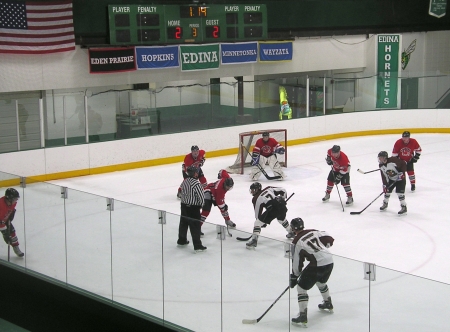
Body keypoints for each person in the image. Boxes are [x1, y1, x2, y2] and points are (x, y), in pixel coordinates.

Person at [289, 217, 334, 327]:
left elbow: (297, 262)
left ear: (293, 229)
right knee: (321, 282)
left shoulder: (296, 242)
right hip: (330, 260)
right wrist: (325, 248)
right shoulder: (312, 231)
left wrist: (295, 276)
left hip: (317, 265)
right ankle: (327, 302)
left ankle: (302, 315)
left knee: (301, 288)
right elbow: (329, 237)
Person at [246, 182, 294, 249]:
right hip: (282, 206)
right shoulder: (268, 188)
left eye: (253, 190)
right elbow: (283, 190)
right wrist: (282, 199)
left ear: (258, 189)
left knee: (257, 223)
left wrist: (261, 222)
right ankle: (291, 232)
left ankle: (254, 240)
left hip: (272, 210)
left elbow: (257, 214)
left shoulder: (256, 198)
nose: (252, 192)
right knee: (281, 219)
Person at [177, 166, 207, 252]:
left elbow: (180, 193)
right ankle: (197, 245)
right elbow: (201, 197)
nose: (197, 173)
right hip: (193, 208)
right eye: (196, 172)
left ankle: (181, 240)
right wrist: (201, 205)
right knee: (195, 226)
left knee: (183, 223)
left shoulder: (185, 181)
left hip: (183, 206)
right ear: (194, 173)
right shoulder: (196, 184)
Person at [378, 151, 408, 215]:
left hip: (400, 179)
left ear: (385, 157)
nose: (379, 159)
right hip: (391, 179)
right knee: (387, 191)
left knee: (399, 193)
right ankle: (385, 204)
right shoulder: (381, 165)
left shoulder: (393, 160)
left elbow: (403, 163)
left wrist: (401, 173)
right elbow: (384, 176)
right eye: (379, 158)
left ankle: (404, 207)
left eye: (380, 158)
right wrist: (385, 185)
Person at [0, 188, 24, 257]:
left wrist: (11, 214)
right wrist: (5, 233)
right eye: (15, 199)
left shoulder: (13, 203)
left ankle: (16, 247)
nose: (16, 201)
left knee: (12, 232)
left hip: (4, 220)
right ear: (9, 199)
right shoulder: (0, 205)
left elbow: (11, 209)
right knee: (7, 235)